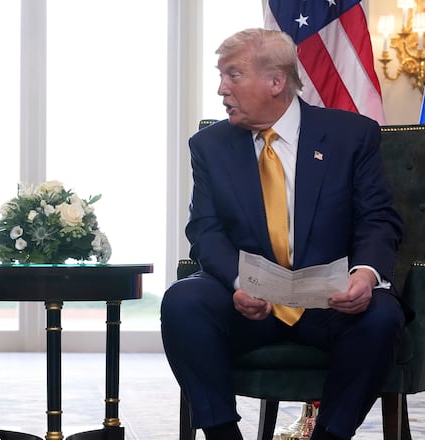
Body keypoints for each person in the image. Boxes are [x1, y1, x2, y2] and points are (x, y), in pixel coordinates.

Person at [161, 28, 408, 440]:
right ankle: (223, 434)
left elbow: (377, 219)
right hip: (249, 303)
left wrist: (364, 276)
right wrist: (239, 283)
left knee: (381, 315)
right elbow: (204, 229)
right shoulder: (210, 145)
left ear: (276, 82)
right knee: (182, 301)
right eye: (221, 76)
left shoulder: (350, 135)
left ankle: (329, 435)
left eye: (233, 75)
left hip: (330, 301)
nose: (222, 89)